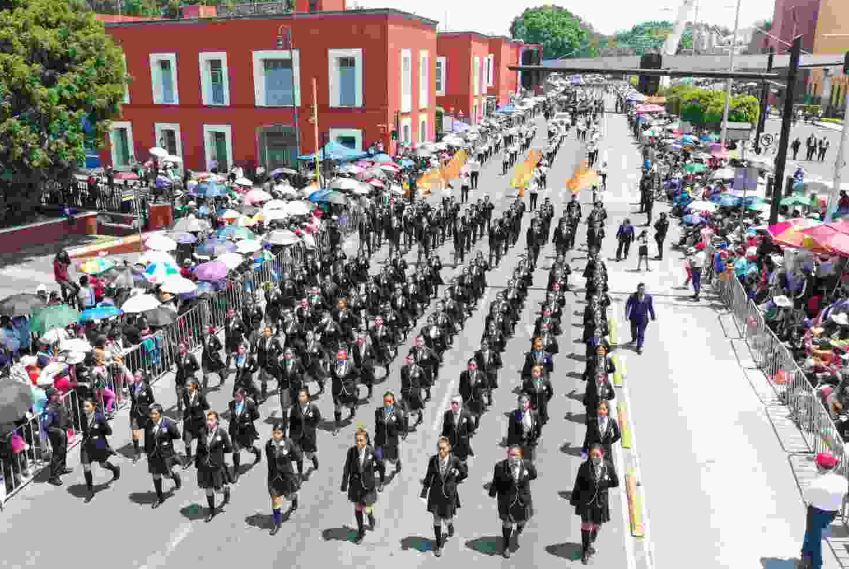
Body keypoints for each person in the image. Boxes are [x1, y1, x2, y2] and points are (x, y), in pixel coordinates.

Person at [570, 443, 620, 565]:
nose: (595, 458)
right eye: (593, 455)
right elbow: (578, 484)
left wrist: (604, 483)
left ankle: (594, 533)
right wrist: (575, 500)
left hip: (601, 502)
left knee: (597, 525)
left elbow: (615, 482)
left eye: (597, 455)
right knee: (586, 525)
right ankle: (585, 550)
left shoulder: (608, 466)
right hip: (586, 501)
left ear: (602, 455)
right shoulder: (584, 467)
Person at [420, 436, 469, 557]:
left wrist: (455, 482)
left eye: (443, 448)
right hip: (436, 494)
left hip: (448, 495)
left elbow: (464, 473)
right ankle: (438, 544)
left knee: (447, 519)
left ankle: (450, 525)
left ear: (449, 448)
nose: (440, 451)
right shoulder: (433, 460)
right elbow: (429, 475)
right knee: (436, 519)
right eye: (439, 449)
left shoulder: (455, 460)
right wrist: (424, 490)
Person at [488, 445, 538, 559]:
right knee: (507, 523)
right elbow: (496, 481)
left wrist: (525, 477)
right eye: (511, 455)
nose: (513, 457)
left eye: (516, 455)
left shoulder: (527, 465)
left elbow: (534, 475)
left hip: (522, 499)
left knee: (522, 521)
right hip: (506, 500)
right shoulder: (500, 466)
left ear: (521, 456)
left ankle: (519, 527)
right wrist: (492, 493)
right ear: (508, 454)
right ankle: (506, 546)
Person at [799, 452, 847, 569]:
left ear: (819, 466)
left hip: (816, 512)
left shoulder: (815, 483)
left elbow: (806, 498)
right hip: (832, 512)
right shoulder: (842, 481)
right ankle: (805, 554)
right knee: (811, 532)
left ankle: (815, 564)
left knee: (815, 538)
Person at [340, 428, 384, 544]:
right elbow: (347, 468)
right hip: (355, 485)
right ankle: (360, 531)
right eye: (357, 440)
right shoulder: (351, 451)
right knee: (358, 507)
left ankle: (370, 517)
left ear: (366, 440)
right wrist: (344, 483)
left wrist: (375, 475)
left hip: (368, 486)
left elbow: (381, 464)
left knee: (366, 509)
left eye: (361, 440)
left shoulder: (372, 451)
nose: (359, 443)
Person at [78, 397, 120, 501]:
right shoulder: (82, 417)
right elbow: (84, 431)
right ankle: (90, 490)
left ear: (93, 407)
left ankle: (115, 470)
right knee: (86, 466)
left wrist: (99, 431)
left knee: (103, 464)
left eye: (87, 406)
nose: (84, 408)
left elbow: (109, 431)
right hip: (86, 444)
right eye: (84, 406)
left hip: (99, 443)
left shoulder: (99, 417)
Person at [266, 420, 303, 535]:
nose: (276, 435)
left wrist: (298, 472)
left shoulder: (289, 442)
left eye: (278, 433)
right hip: (274, 477)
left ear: (283, 433)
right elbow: (270, 461)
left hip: (287, 476)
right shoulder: (268, 445)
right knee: (275, 500)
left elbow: (298, 456)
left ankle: (294, 498)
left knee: (288, 497)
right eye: (274, 432)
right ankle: (277, 523)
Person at [195, 410, 232, 522]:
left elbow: (229, 448)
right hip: (204, 466)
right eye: (208, 419)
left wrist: (219, 454)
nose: (209, 422)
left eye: (211, 419)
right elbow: (199, 448)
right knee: (208, 489)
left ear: (217, 421)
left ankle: (226, 490)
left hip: (216, 466)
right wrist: (198, 463)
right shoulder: (202, 432)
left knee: (218, 489)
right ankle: (212, 511)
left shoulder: (222, 433)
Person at [144, 403, 182, 509]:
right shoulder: (148, 423)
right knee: (155, 475)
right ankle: (160, 497)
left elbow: (177, 435)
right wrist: (147, 451)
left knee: (166, 475)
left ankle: (175, 476)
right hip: (153, 454)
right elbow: (147, 438)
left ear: (160, 414)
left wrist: (166, 440)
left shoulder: (168, 423)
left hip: (165, 454)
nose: (152, 416)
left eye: (155, 414)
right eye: (151, 414)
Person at [374, 391, 407, 491]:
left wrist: (394, 432)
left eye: (389, 401)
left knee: (393, 460)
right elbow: (377, 426)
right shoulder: (378, 412)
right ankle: (382, 482)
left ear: (393, 402)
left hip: (391, 443)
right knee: (381, 463)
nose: (387, 403)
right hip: (380, 442)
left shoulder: (397, 413)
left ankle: (398, 461)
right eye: (385, 401)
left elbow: (401, 428)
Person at [227, 387, 261, 483]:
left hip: (246, 431)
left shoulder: (249, 404)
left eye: (237, 396)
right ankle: (236, 471)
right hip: (234, 430)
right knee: (235, 449)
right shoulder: (231, 404)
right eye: (235, 396)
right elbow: (233, 416)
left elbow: (256, 415)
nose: (235, 398)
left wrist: (248, 421)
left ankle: (257, 451)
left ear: (242, 396)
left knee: (249, 449)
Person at [42, 387, 72, 486]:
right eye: (56, 394)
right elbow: (46, 426)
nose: (59, 395)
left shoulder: (58, 403)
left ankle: (62, 468)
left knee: (63, 451)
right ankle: (53, 477)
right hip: (56, 434)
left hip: (63, 431)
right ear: (52, 397)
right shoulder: (49, 409)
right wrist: (59, 431)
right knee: (57, 454)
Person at [128, 370, 155, 463]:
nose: (135, 378)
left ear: (142, 377)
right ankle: (136, 452)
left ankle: (148, 448)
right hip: (135, 412)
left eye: (137, 376)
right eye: (134, 376)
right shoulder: (131, 387)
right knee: (135, 433)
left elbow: (152, 401)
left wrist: (151, 413)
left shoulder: (147, 387)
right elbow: (133, 399)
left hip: (145, 413)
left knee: (148, 431)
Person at [441, 395, 476, 464]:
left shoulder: (466, 414)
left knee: (462, 462)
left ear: (460, 404)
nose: (454, 405)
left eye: (456, 403)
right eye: (452, 403)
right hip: (452, 443)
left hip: (462, 444)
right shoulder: (447, 414)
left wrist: (466, 436)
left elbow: (471, 428)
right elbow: (445, 427)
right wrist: (444, 437)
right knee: (451, 461)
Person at [624, 283, 656, 355]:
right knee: (633, 330)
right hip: (634, 317)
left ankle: (639, 346)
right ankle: (634, 338)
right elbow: (628, 305)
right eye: (640, 289)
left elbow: (650, 307)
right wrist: (626, 314)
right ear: (637, 289)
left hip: (643, 318)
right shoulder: (632, 296)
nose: (642, 290)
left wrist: (653, 316)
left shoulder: (648, 297)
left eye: (643, 289)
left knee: (641, 333)